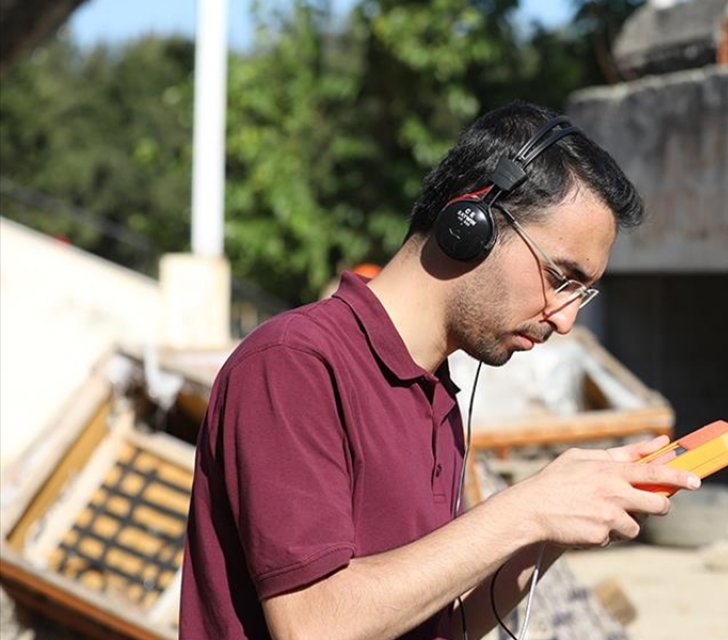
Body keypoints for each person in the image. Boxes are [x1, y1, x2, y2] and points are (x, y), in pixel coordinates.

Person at [179, 101, 701, 640]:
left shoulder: (438, 394)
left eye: (581, 294)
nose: (565, 320)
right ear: (470, 222)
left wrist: (554, 528)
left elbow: (436, 625)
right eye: (559, 278)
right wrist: (530, 508)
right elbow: (315, 625)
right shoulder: (295, 363)